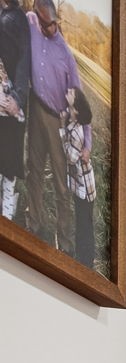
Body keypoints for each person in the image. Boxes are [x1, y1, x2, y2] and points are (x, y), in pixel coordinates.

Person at [21, 0, 81, 253]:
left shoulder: (65, 55)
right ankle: (34, 223)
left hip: (58, 120)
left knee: (61, 183)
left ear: (55, 22)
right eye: (39, 19)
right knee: (33, 170)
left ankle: (64, 243)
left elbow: (78, 99)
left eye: (48, 23)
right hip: (36, 107)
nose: (43, 26)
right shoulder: (31, 22)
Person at [0, 0, 25, 223]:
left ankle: (7, 218)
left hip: (10, 112)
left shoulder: (14, 20)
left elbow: (21, 64)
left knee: (8, 172)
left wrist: (15, 103)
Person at [57, 77, 85, 267]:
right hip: (74, 181)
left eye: (70, 94)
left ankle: (75, 252)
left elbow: (71, 157)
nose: (67, 94)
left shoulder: (76, 131)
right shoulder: (72, 121)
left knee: (81, 218)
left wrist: (60, 127)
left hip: (80, 185)